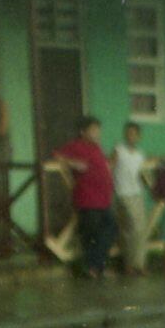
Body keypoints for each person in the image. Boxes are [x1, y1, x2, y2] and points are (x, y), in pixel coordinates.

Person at [52, 115, 115, 279]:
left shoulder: (97, 148)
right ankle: (92, 268)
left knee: (110, 229)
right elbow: (56, 155)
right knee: (92, 234)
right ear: (83, 132)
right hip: (88, 198)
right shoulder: (75, 146)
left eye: (98, 130)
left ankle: (97, 266)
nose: (97, 133)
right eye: (93, 130)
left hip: (103, 199)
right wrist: (73, 163)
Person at [112, 121, 151, 276]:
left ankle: (139, 265)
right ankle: (129, 264)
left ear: (138, 136)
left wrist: (150, 186)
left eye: (134, 133)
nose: (131, 136)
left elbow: (141, 173)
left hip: (137, 193)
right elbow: (110, 167)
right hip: (122, 193)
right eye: (128, 133)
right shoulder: (118, 150)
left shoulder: (140, 154)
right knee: (130, 228)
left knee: (140, 230)